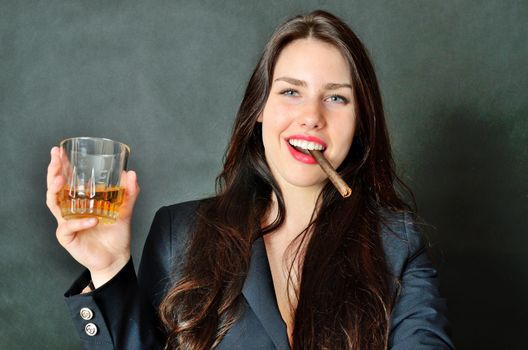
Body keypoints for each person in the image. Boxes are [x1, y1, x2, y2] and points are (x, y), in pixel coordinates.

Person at [46, 10, 454, 350]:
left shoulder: (397, 244)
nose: (312, 115)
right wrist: (110, 269)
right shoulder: (179, 233)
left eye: (336, 97)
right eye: (291, 92)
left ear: (360, 121)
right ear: (259, 108)